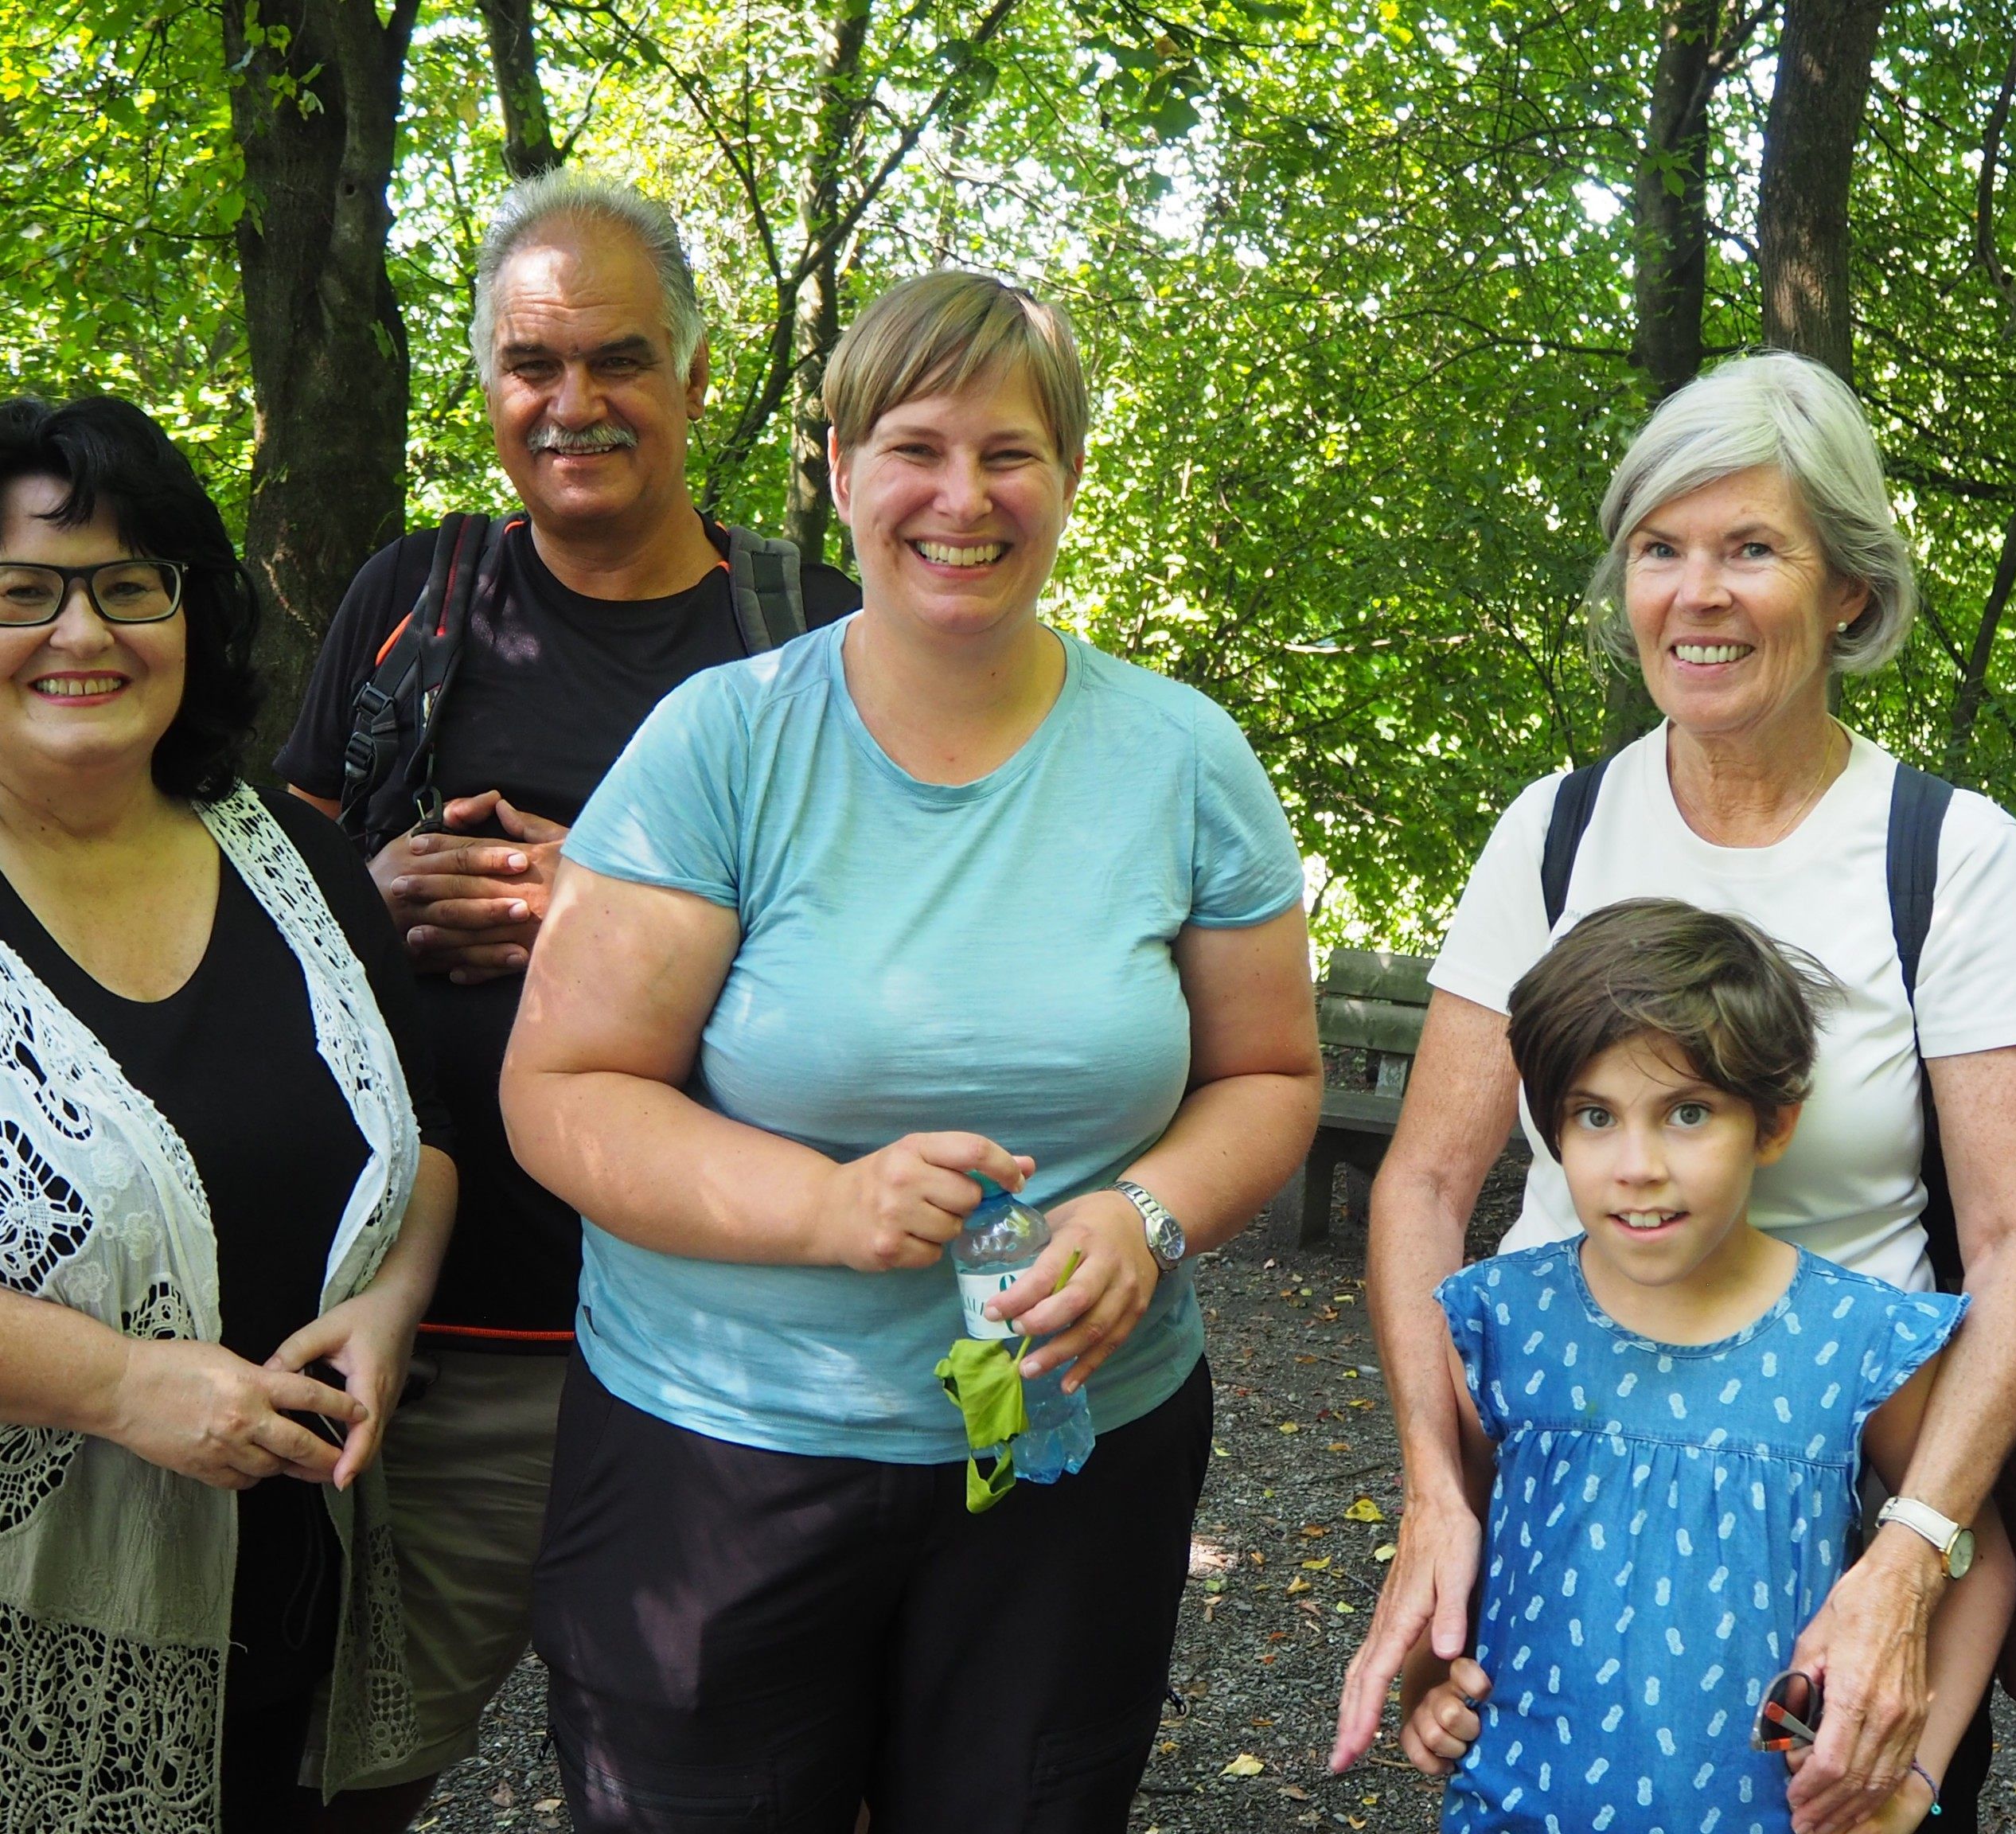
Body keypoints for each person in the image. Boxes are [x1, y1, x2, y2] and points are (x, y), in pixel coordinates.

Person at [495, 268, 1321, 1831]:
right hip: (722, 1448)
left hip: (1068, 1460)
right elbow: (561, 1089)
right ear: (839, 472)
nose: (964, 496)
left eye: (1010, 453)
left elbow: (1268, 1078)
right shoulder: (721, 745)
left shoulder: (1181, 758)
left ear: (1069, 478)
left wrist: (1143, 1220)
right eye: (915, 449)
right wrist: (828, 1209)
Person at [1335, 352, 2016, 1834]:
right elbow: (1421, 1185)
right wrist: (1437, 1488)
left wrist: (1911, 1553)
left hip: (1835, 1513)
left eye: (1751, 548)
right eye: (1660, 550)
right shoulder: (1553, 831)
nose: (1698, 592)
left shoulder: (1947, 853)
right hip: (1566, 1489)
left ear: (1847, 589)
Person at [276, 170, 858, 1825]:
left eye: (618, 360)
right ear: (488, 385)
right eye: (534, 365)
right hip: (436, 1339)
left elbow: (889, 976)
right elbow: (268, 926)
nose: (574, 403)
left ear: (690, 377)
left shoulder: (808, 640)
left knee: (720, 1785)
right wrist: (367, 904)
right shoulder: (412, 602)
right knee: (344, 1769)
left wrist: (606, 922)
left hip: (724, 1354)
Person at [0, 396, 455, 1832]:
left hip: (285, 1620)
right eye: (21, 592)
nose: (84, 634)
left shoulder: (296, 859)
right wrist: (125, 1385)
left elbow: (425, 1139)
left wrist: (389, 1307)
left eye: (129, 584)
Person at [1391, 898, 2013, 1833]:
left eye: (1687, 1112)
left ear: (1772, 1124)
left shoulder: (1855, 1337)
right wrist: (1427, 1693)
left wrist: (1916, 1785)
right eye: (1594, 1116)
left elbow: (1979, 1561)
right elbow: (1448, 1546)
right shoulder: (1500, 1319)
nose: (1636, 1165)